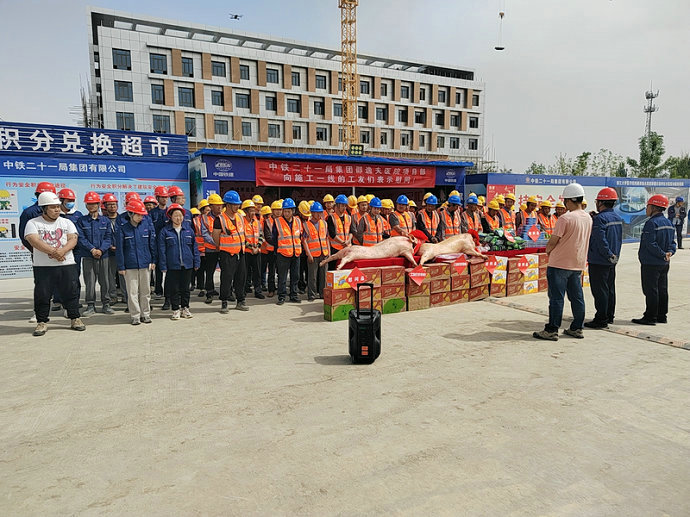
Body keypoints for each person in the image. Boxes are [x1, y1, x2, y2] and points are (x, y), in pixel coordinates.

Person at [533, 183, 592, 341]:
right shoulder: (588, 218)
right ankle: (577, 327)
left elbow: (553, 241)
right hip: (577, 263)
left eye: (565, 201)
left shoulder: (565, 218)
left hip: (559, 264)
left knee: (556, 298)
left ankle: (552, 329)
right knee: (577, 297)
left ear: (570, 200)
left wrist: (548, 250)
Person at [24, 192, 86, 336]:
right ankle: (42, 322)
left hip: (66, 264)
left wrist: (62, 251)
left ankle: (75, 318)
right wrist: (54, 251)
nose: (57, 209)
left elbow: (73, 239)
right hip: (43, 266)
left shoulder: (66, 222)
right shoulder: (33, 223)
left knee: (71, 292)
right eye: (53, 207)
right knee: (42, 295)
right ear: (44, 208)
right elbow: (34, 240)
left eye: (58, 206)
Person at [632, 194, 677, 325]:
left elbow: (650, 244)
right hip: (664, 263)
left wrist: (662, 254)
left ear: (653, 207)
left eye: (647, 206)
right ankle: (662, 315)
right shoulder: (668, 223)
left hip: (651, 263)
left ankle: (650, 316)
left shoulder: (651, 223)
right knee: (662, 289)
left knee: (651, 290)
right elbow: (672, 243)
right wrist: (669, 253)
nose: (646, 209)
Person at [584, 188, 623, 329]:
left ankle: (601, 319)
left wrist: (607, 254)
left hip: (599, 260)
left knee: (600, 290)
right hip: (612, 259)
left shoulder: (599, 219)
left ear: (601, 202)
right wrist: (613, 256)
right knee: (610, 289)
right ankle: (609, 316)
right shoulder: (617, 218)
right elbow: (617, 239)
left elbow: (601, 241)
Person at [116, 199, 157, 325]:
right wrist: (121, 266)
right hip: (130, 265)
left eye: (142, 215)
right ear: (130, 214)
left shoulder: (146, 227)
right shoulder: (123, 229)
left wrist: (153, 260)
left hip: (145, 263)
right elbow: (120, 249)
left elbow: (151, 245)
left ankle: (146, 314)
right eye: (138, 215)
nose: (140, 217)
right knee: (132, 292)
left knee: (145, 291)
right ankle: (135, 316)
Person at [158, 203, 200, 320]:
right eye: (176, 215)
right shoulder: (165, 232)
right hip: (172, 265)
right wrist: (163, 265)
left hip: (187, 264)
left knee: (185, 288)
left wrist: (196, 262)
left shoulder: (189, 230)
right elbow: (162, 250)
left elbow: (194, 248)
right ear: (170, 217)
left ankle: (185, 308)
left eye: (180, 215)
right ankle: (175, 309)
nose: (178, 218)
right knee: (174, 289)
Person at [76, 191, 114, 316]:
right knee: (90, 282)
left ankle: (106, 304)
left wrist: (101, 250)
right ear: (86, 205)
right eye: (89, 204)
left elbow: (108, 238)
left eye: (94, 203)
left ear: (98, 204)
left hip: (104, 256)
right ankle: (90, 305)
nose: (92, 206)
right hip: (88, 256)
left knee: (105, 281)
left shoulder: (105, 221)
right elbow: (81, 238)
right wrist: (92, 249)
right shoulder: (82, 221)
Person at [212, 190, 248, 313]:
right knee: (226, 278)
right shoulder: (220, 219)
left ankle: (240, 300)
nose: (237, 206)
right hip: (227, 254)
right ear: (227, 205)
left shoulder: (240, 217)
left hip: (240, 253)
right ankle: (224, 302)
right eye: (235, 204)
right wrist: (221, 246)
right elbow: (215, 236)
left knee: (241, 277)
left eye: (238, 204)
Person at [272, 198, 303, 304]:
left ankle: (294, 294)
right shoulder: (277, 222)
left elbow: (300, 236)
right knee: (282, 276)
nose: (286, 213)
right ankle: (282, 296)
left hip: (296, 253)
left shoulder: (298, 221)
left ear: (293, 211)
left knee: (295, 276)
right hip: (283, 253)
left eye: (288, 211)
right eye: (285, 211)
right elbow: (274, 238)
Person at [302, 201, 329, 301]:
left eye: (320, 212)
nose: (319, 214)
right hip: (313, 255)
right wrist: (308, 254)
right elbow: (304, 241)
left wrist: (329, 253)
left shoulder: (324, 223)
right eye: (317, 212)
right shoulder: (306, 225)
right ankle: (311, 295)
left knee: (323, 276)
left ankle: (322, 294)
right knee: (312, 276)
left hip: (324, 253)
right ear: (312, 213)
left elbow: (327, 239)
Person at [202, 194, 223, 302]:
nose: (219, 207)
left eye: (220, 205)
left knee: (225, 271)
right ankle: (209, 293)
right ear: (211, 206)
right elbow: (205, 234)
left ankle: (226, 292)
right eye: (217, 205)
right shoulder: (205, 218)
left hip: (223, 249)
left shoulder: (224, 216)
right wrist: (215, 243)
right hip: (211, 249)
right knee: (210, 271)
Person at [242, 199, 265, 299]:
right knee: (245, 272)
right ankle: (244, 290)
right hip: (246, 251)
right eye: (251, 210)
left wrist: (258, 246)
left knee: (257, 272)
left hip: (257, 251)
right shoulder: (241, 222)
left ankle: (258, 291)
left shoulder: (257, 222)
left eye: (253, 210)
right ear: (245, 211)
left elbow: (261, 235)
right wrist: (251, 248)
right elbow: (242, 238)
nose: (253, 212)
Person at [326, 195, 352, 270]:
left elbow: (351, 232)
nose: (344, 208)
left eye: (345, 206)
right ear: (337, 206)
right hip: (335, 248)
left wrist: (348, 241)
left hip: (347, 248)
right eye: (342, 205)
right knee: (333, 269)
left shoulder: (348, 217)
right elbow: (332, 234)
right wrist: (342, 242)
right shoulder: (331, 217)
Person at [261, 200, 282, 296]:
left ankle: (281, 289)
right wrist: (279, 243)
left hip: (282, 250)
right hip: (271, 250)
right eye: (276, 210)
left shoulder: (283, 221)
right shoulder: (268, 221)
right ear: (272, 211)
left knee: (281, 271)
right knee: (271, 271)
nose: (278, 212)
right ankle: (271, 289)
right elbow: (268, 237)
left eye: (280, 210)